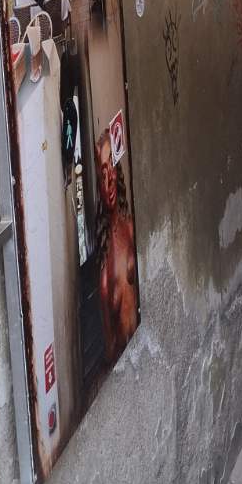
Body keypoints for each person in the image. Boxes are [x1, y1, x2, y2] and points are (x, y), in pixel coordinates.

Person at [95, 130, 138, 361]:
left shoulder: (130, 227)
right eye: (103, 173)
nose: (109, 179)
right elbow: (110, 348)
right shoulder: (104, 269)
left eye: (111, 166)